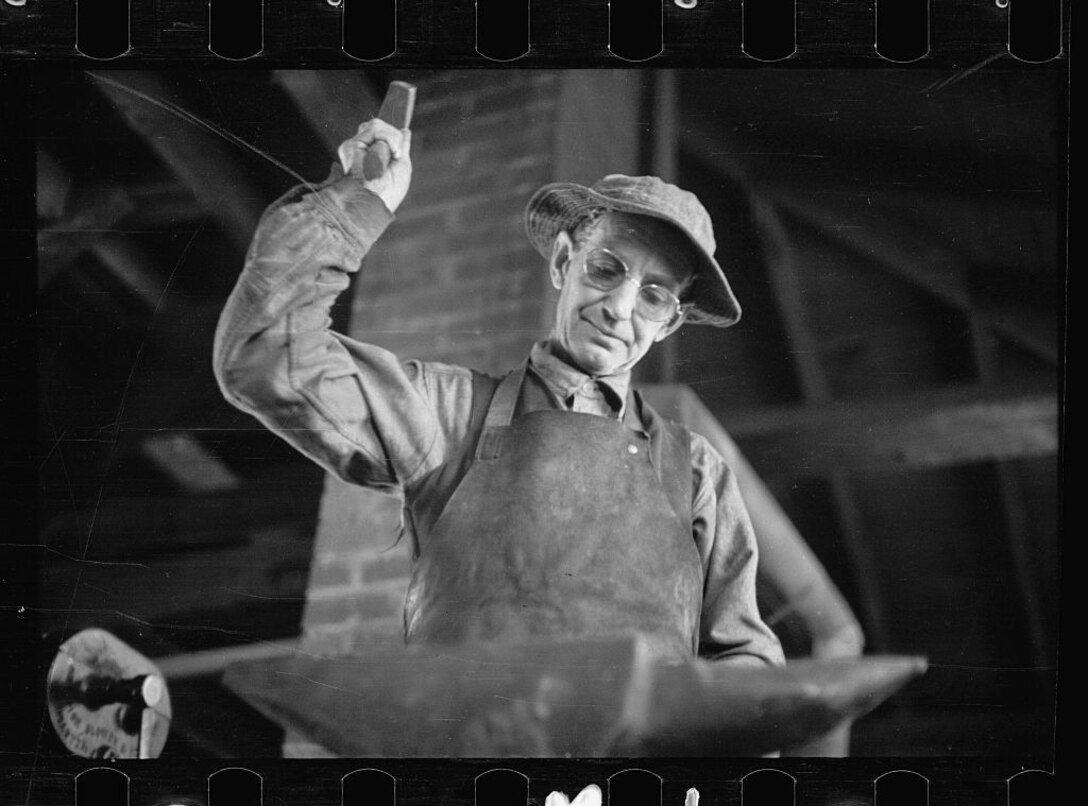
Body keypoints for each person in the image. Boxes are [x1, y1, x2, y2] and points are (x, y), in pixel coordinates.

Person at [213, 118, 785, 668]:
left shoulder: (698, 476)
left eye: (654, 295)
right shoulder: (449, 415)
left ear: (670, 322)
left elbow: (746, 659)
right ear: (565, 261)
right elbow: (266, 357)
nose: (619, 307)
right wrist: (355, 206)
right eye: (606, 268)